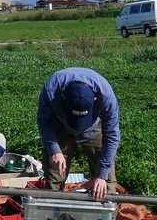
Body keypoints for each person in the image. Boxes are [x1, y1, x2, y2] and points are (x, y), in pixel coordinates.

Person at [36, 67, 119, 201]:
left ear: (95, 98)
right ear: (62, 97)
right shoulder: (51, 90)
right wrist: (54, 150)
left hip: (94, 128)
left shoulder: (106, 96)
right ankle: (53, 212)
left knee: (105, 182)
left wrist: (101, 176)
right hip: (61, 127)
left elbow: (112, 136)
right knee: (54, 176)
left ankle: (104, 215)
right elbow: (44, 122)